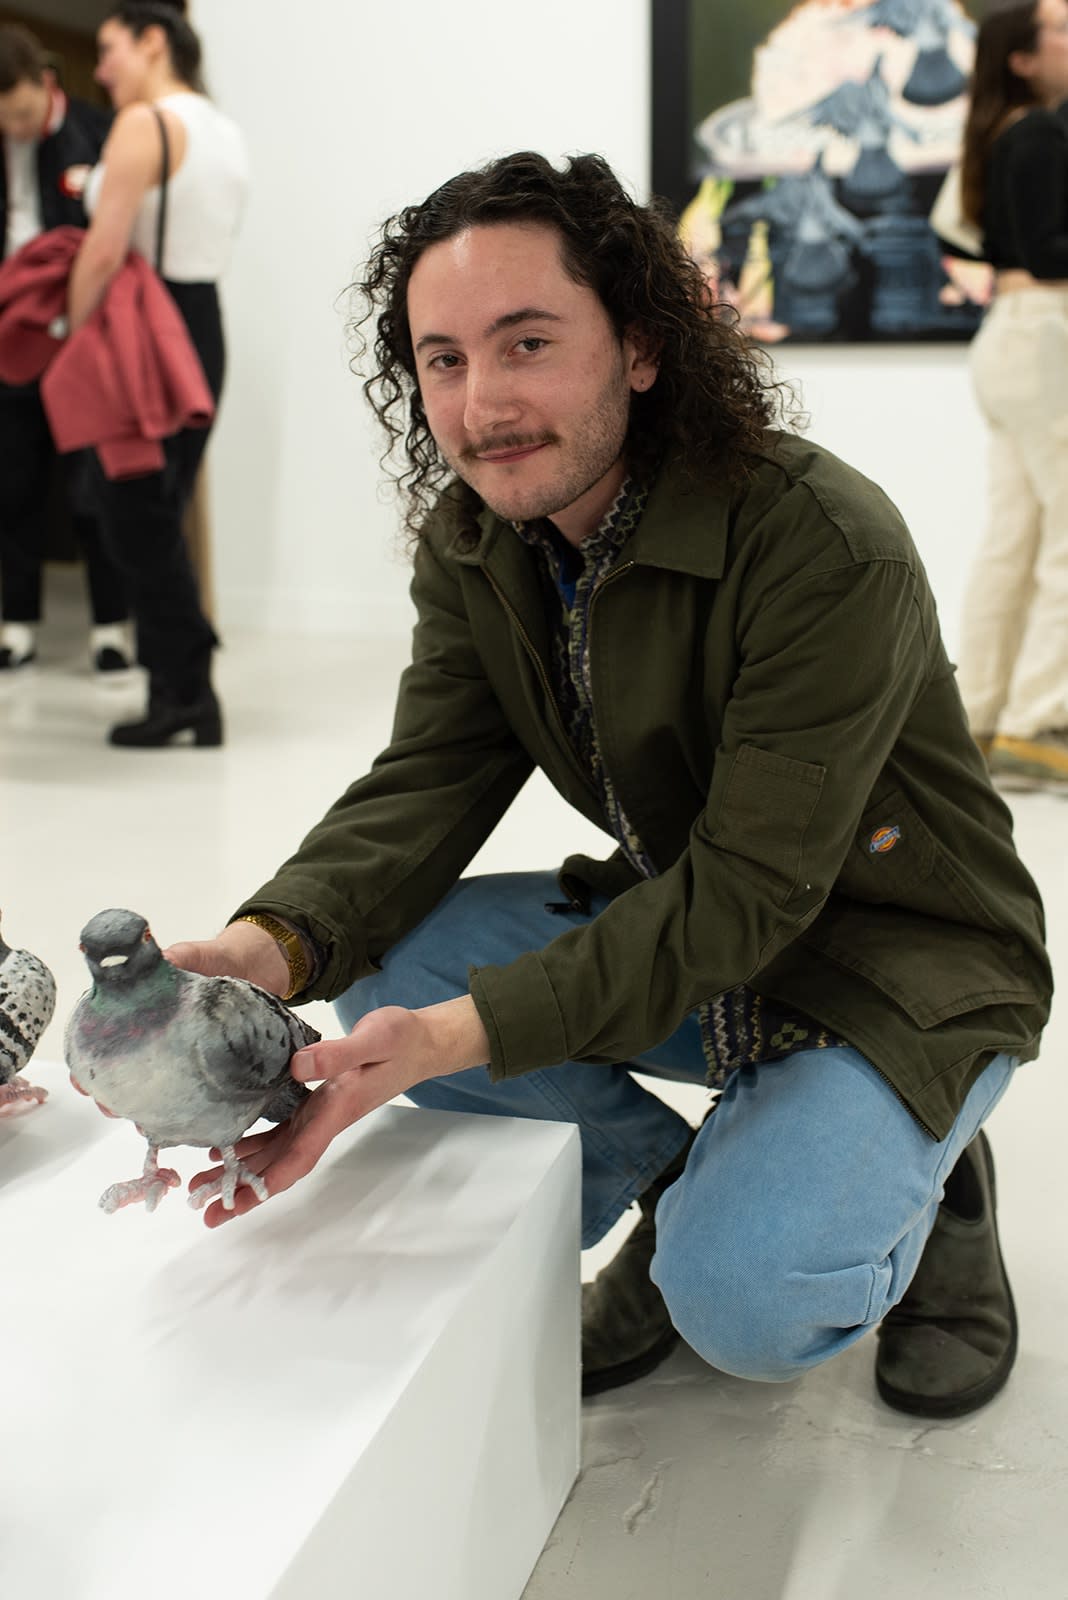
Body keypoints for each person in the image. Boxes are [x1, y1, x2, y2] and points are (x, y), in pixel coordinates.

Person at [172, 151, 1051, 1421]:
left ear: (640, 345)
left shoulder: (822, 541)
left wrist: (462, 1040)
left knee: (747, 1305)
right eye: (445, 359)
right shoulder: (477, 539)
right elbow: (427, 780)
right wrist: (266, 943)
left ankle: (941, 1175)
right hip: (697, 927)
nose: (484, 403)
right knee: (381, 958)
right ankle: (680, 1175)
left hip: (900, 961)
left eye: (529, 341)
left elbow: (749, 889)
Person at [72, 0, 247, 746]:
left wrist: (67, 335)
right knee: (153, 507)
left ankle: (187, 693)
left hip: (145, 326)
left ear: (152, 42)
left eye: (111, 49)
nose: (102, 68)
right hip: (200, 325)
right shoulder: (223, 128)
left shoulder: (146, 123)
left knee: (129, 511)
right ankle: (180, 686)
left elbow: (106, 248)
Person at [955, 0, 1068, 789]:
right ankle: (1039, 725)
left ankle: (984, 721)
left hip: (1015, 336)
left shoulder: (1004, 135)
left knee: (1016, 540)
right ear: (1022, 59)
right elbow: (1046, 249)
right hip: (1046, 333)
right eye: (1061, 28)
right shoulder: (1040, 135)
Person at [0, 22, 130, 676]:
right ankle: (17, 623)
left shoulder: (97, 133)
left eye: (21, 112)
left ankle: (111, 627)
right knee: (13, 484)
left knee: (91, 489)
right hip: (11, 340)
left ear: (44, 83)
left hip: (81, 337)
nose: (15, 128)